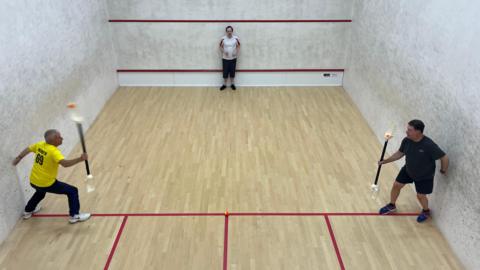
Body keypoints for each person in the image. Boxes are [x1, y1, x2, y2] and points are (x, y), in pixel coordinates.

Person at [12, 129, 91, 224]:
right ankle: (75, 215)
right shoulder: (54, 152)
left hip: (33, 181)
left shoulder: (40, 144)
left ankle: (28, 211)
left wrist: (18, 158)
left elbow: (28, 149)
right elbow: (65, 164)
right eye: (60, 137)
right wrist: (80, 159)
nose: (62, 138)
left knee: (40, 192)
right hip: (47, 183)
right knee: (72, 191)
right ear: (54, 140)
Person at [378, 119, 449, 222]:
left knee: (420, 196)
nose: (406, 131)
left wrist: (443, 170)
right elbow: (399, 153)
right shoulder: (406, 140)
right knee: (396, 185)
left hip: (424, 176)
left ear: (418, 132)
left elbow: (444, 158)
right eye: (407, 129)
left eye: (410, 130)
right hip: (408, 170)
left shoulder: (428, 145)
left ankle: (425, 211)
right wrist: (385, 161)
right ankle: (391, 205)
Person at [219, 26, 240, 91]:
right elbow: (220, 47)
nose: (229, 32)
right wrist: (224, 52)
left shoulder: (236, 38)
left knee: (232, 72)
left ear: (232, 31)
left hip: (233, 58)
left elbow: (238, 46)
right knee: (225, 72)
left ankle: (232, 84)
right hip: (225, 59)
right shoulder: (223, 39)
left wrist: (236, 52)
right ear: (226, 31)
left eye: (230, 31)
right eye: (228, 31)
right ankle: (224, 85)